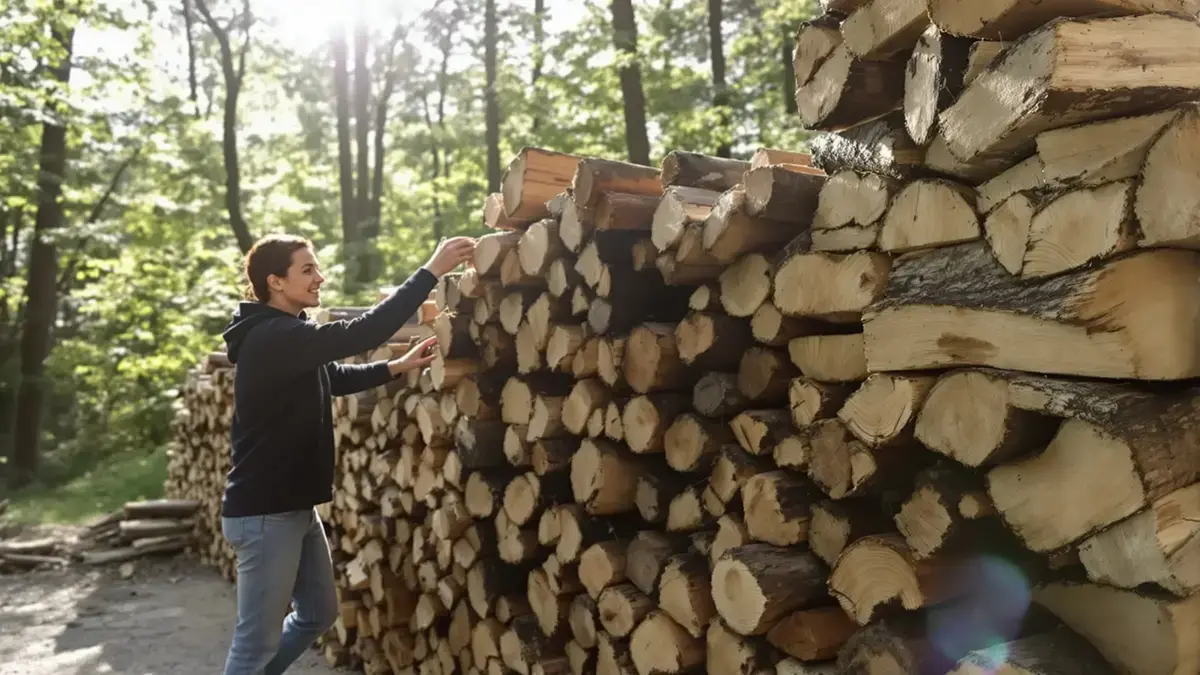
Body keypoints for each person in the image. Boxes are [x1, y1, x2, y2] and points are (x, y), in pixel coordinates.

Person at [218, 233, 475, 675]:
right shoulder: (272, 335)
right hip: (264, 512)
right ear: (275, 282)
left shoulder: (284, 335)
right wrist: (432, 270)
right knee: (253, 646)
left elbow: (330, 377)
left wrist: (394, 367)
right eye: (307, 270)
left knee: (317, 614)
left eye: (316, 268)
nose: (319, 277)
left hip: (291, 506)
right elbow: (365, 331)